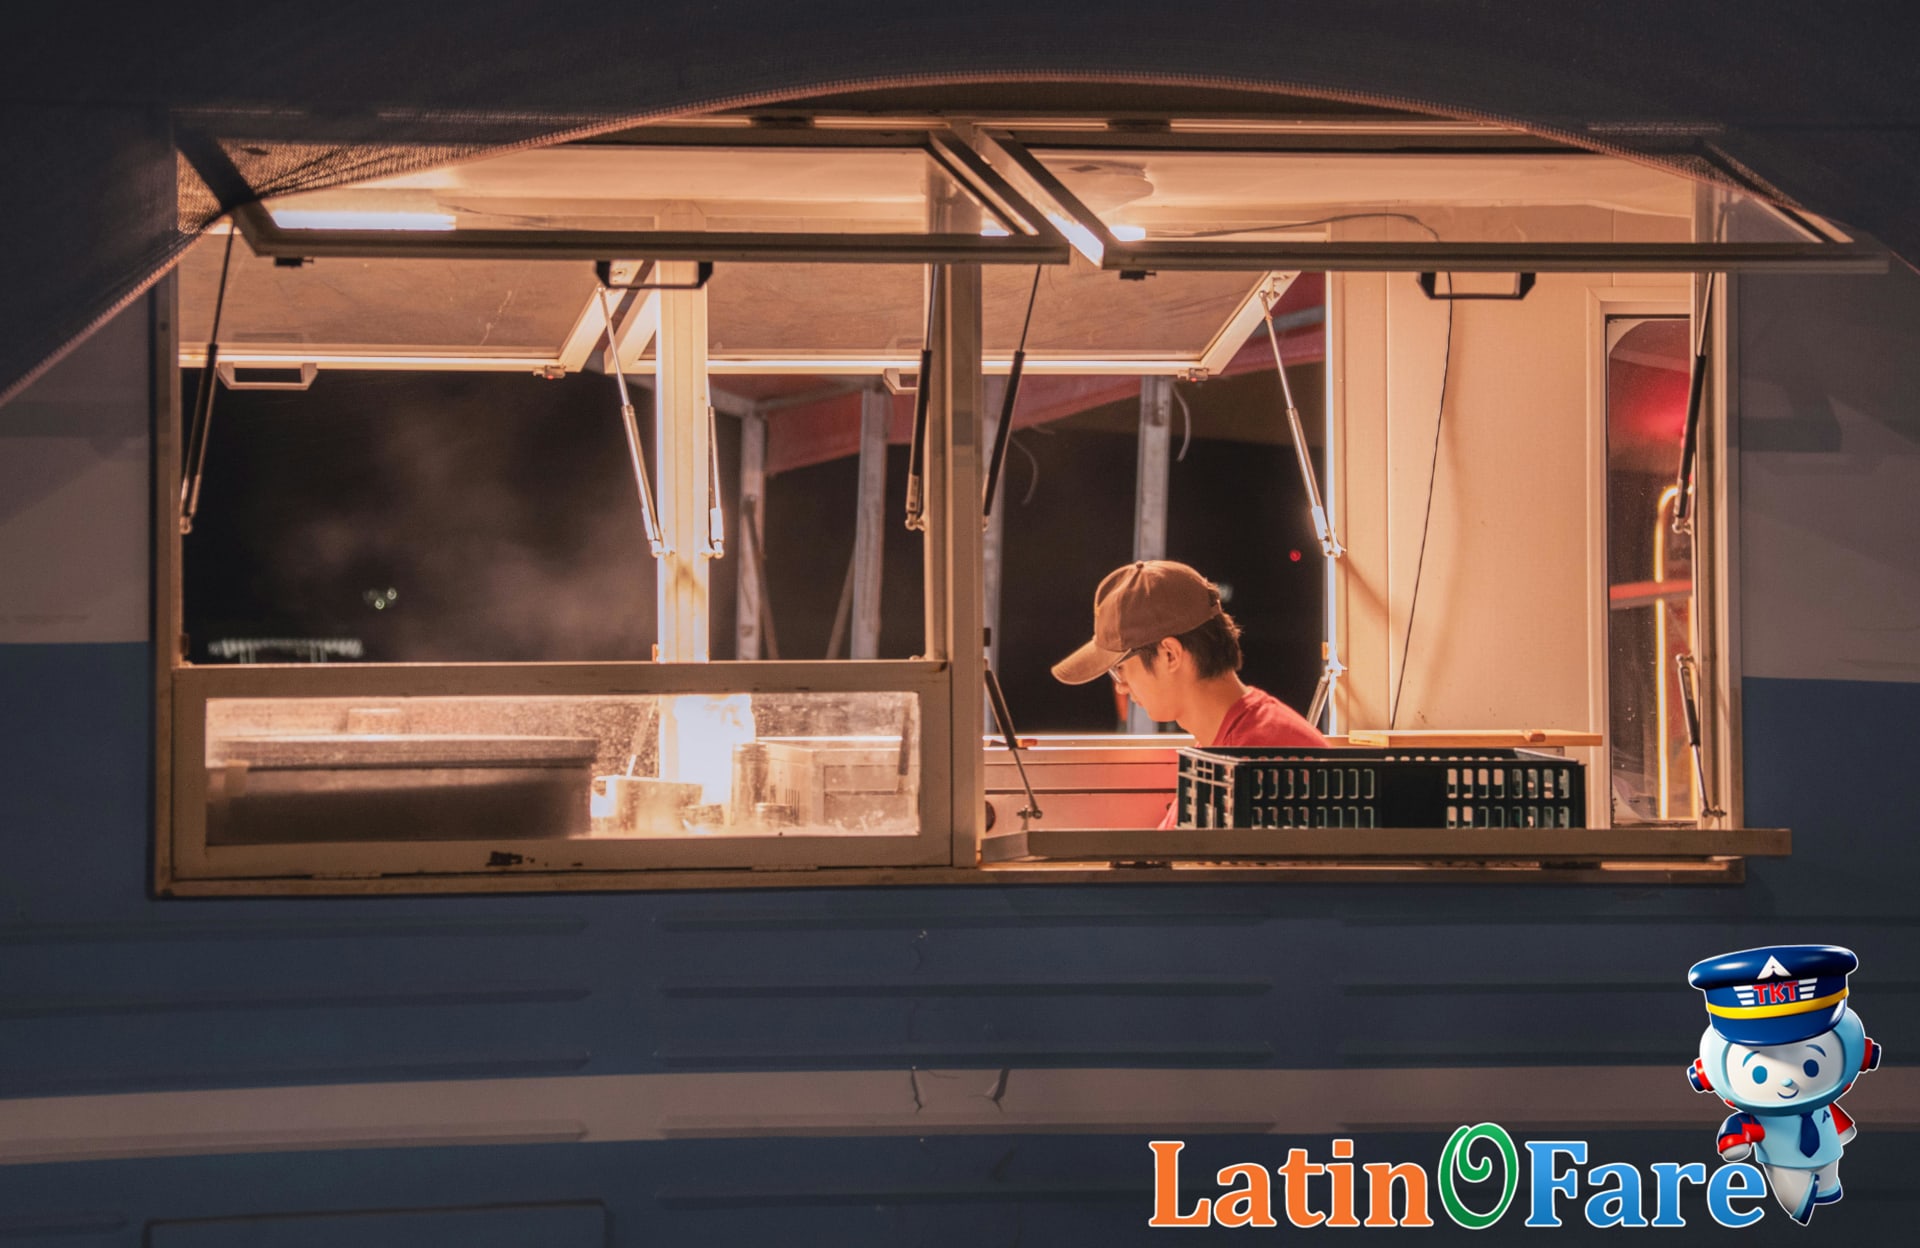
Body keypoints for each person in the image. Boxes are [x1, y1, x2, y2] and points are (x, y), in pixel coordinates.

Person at [1052, 557, 1326, 753]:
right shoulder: (1222, 742)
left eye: (1120, 668)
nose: (1121, 687)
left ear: (1170, 654)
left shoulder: (1260, 758)